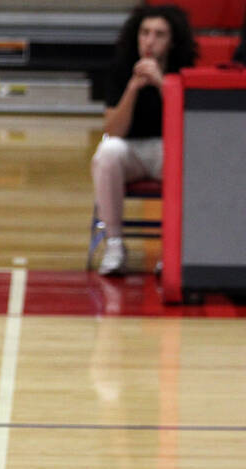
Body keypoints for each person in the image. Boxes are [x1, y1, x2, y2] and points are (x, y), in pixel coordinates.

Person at [91, 3, 197, 276]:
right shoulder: (120, 68)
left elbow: (190, 127)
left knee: (192, 158)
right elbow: (114, 130)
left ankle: (173, 252)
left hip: (168, 150)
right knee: (107, 152)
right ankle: (115, 245)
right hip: (132, 150)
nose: (149, 41)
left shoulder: (183, 69)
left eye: (159, 34)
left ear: (172, 41)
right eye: (145, 33)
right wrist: (132, 88)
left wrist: (163, 84)